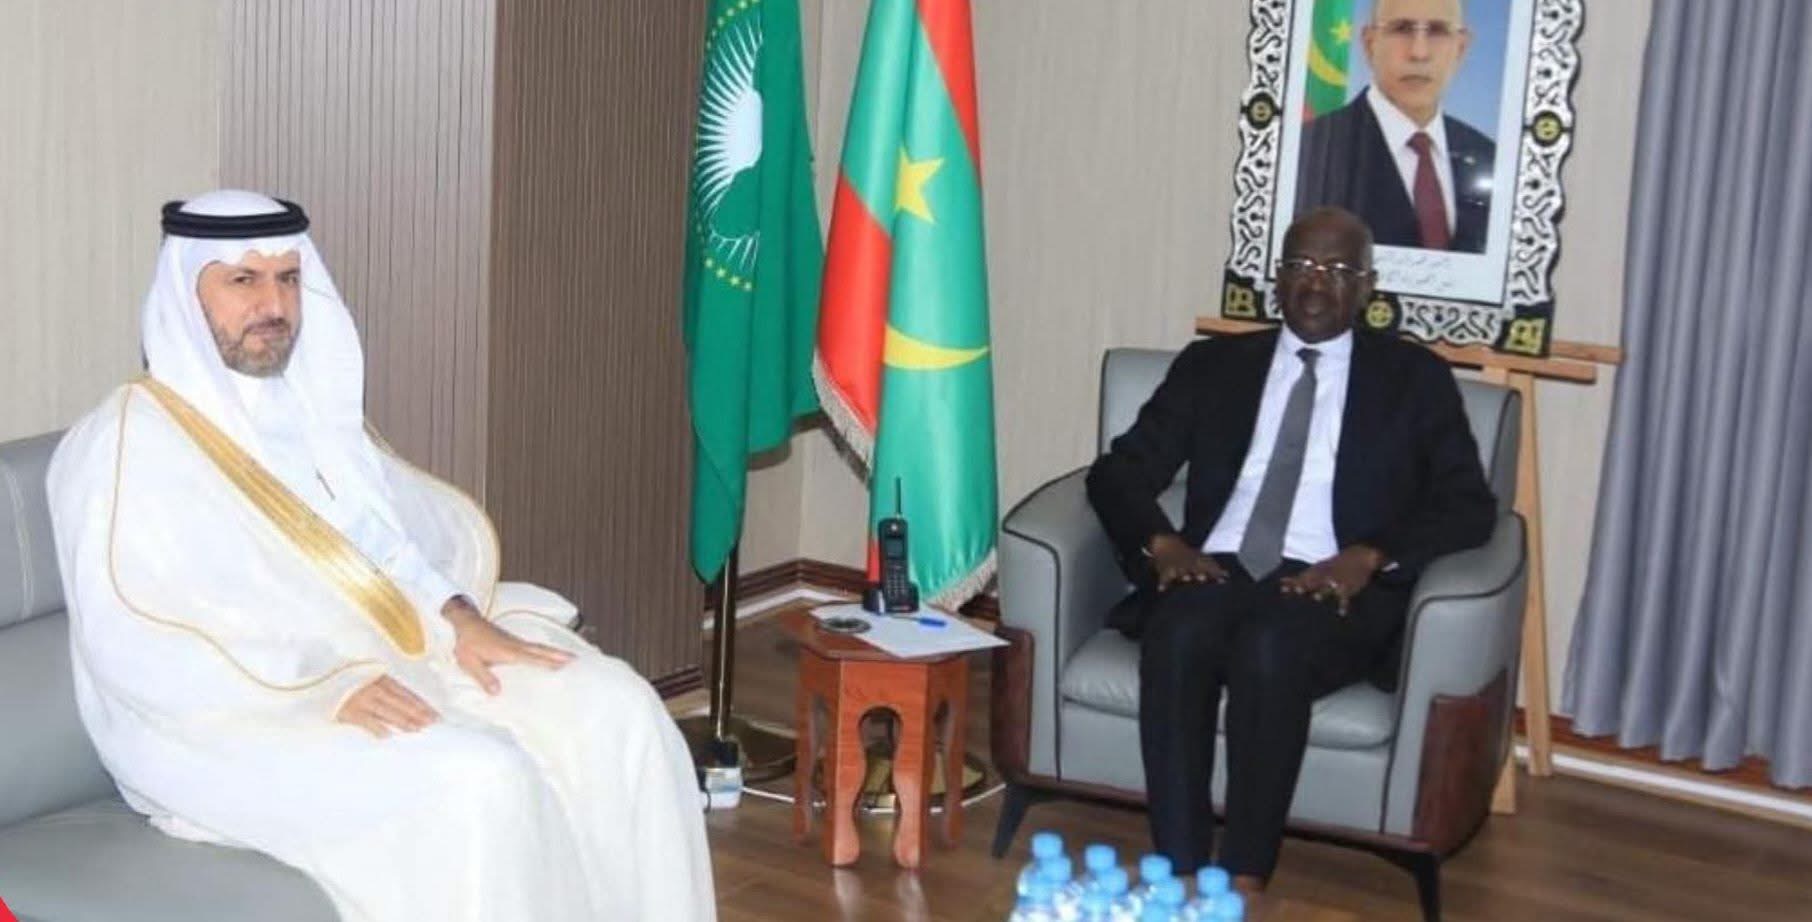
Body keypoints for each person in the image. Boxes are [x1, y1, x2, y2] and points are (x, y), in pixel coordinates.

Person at [46, 190, 715, 922]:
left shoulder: (305, 410)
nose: (274, 305)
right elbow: (137, 639)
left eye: (289, 279)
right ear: (185, 292)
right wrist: (320, 690)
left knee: (616, 711)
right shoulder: (125, 444)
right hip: (223, 725)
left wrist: (458, 616)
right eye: (243, 280)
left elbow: (382, 543)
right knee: (481, 780)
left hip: (384, 661)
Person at [1086, 207, 1495, 894]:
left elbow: (1468, 503)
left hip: (1331, 581)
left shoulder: (1413, 378)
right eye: (1301, 265)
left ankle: (1244, 874)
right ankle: (1178, 868)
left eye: (1336, 270)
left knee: (1270, 646)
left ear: (1366, 287)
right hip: (1216, 568)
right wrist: (1162, 543)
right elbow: (1118, 471)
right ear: (1276, 279)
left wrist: (1370, 555)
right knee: (1178, 633)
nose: (1315, 282)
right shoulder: (1215, 364)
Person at [1295, 0, 1494, 252]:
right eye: (1402, 28)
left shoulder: (1489, 157)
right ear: (1370, 44)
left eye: (1437, 30)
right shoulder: (1310, 150)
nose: (1419, 53)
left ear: (1461, 48)